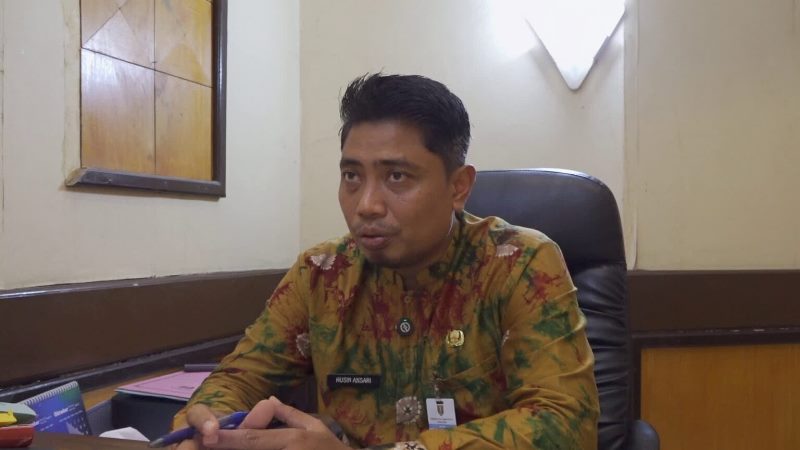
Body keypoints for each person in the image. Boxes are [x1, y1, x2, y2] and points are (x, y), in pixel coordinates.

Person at [174, 73, 599, 450]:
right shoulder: (321, 274)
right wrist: (209, 425)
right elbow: (240, 378)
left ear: (458, 187)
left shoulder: (519, 265)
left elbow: (564, 427)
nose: (367, 205)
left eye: (396, 176)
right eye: (352, 176)